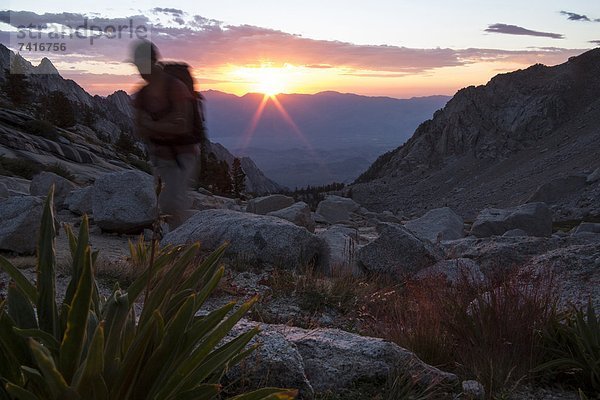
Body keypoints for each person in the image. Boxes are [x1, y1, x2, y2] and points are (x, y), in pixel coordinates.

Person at [130, 40, 199, 230]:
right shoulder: (142, 94)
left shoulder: (175, 87)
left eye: (141, 65)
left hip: (182, 156)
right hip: (160, 156)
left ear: (153, 61)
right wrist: (165, 125)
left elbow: (182, 126)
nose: (139, 71)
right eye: (137, 66)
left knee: (172, 204)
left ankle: (182, 248)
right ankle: (170, 245)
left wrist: (152, 125)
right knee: (163, 204)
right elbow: (139, 128)